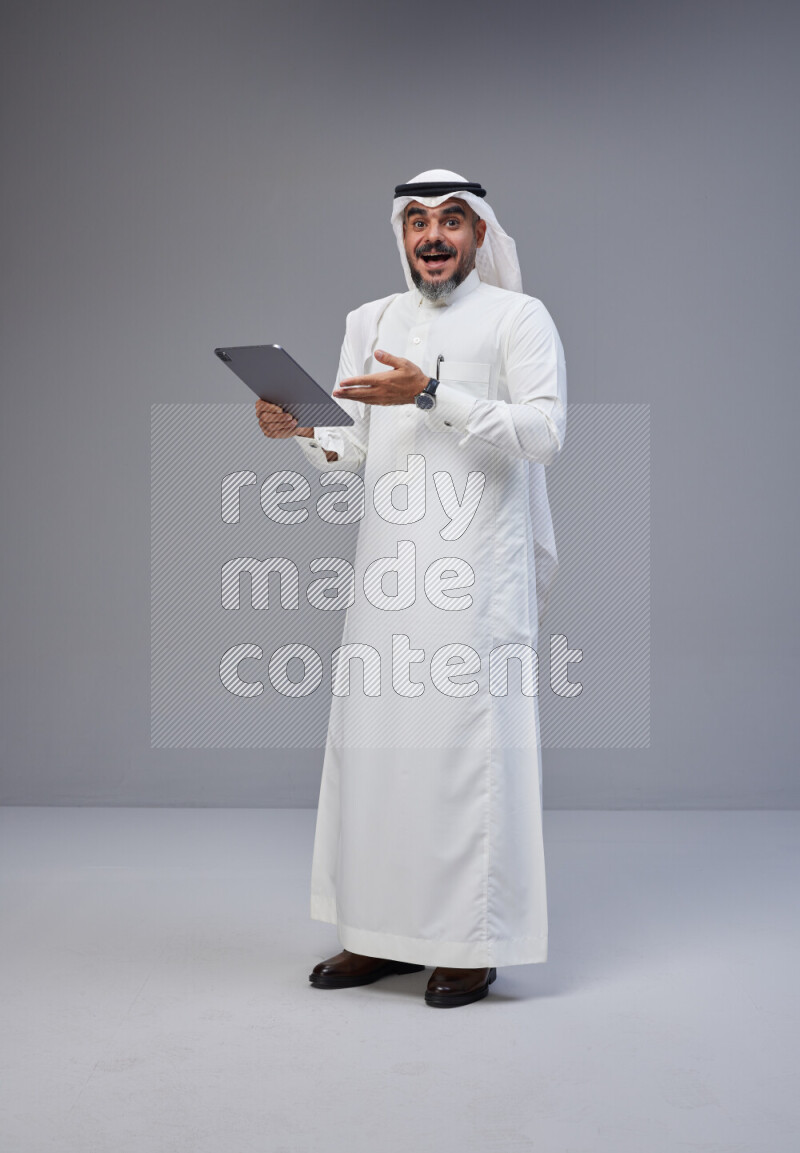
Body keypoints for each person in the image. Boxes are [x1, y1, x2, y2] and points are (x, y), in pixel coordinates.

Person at [256, 169, 567, 1008]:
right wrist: (300, 426)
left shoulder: (518, 318)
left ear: (479, 235)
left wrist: (431, 393)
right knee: (378, 752)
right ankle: (378, 934)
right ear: (402, 235)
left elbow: (545, 430)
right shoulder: (372, 321)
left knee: (467, 755)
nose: (433, 236)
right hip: (389, 573)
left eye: (453, 221)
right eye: (418, 221)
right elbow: (350, 449)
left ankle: (470, 944)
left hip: (477, 574)